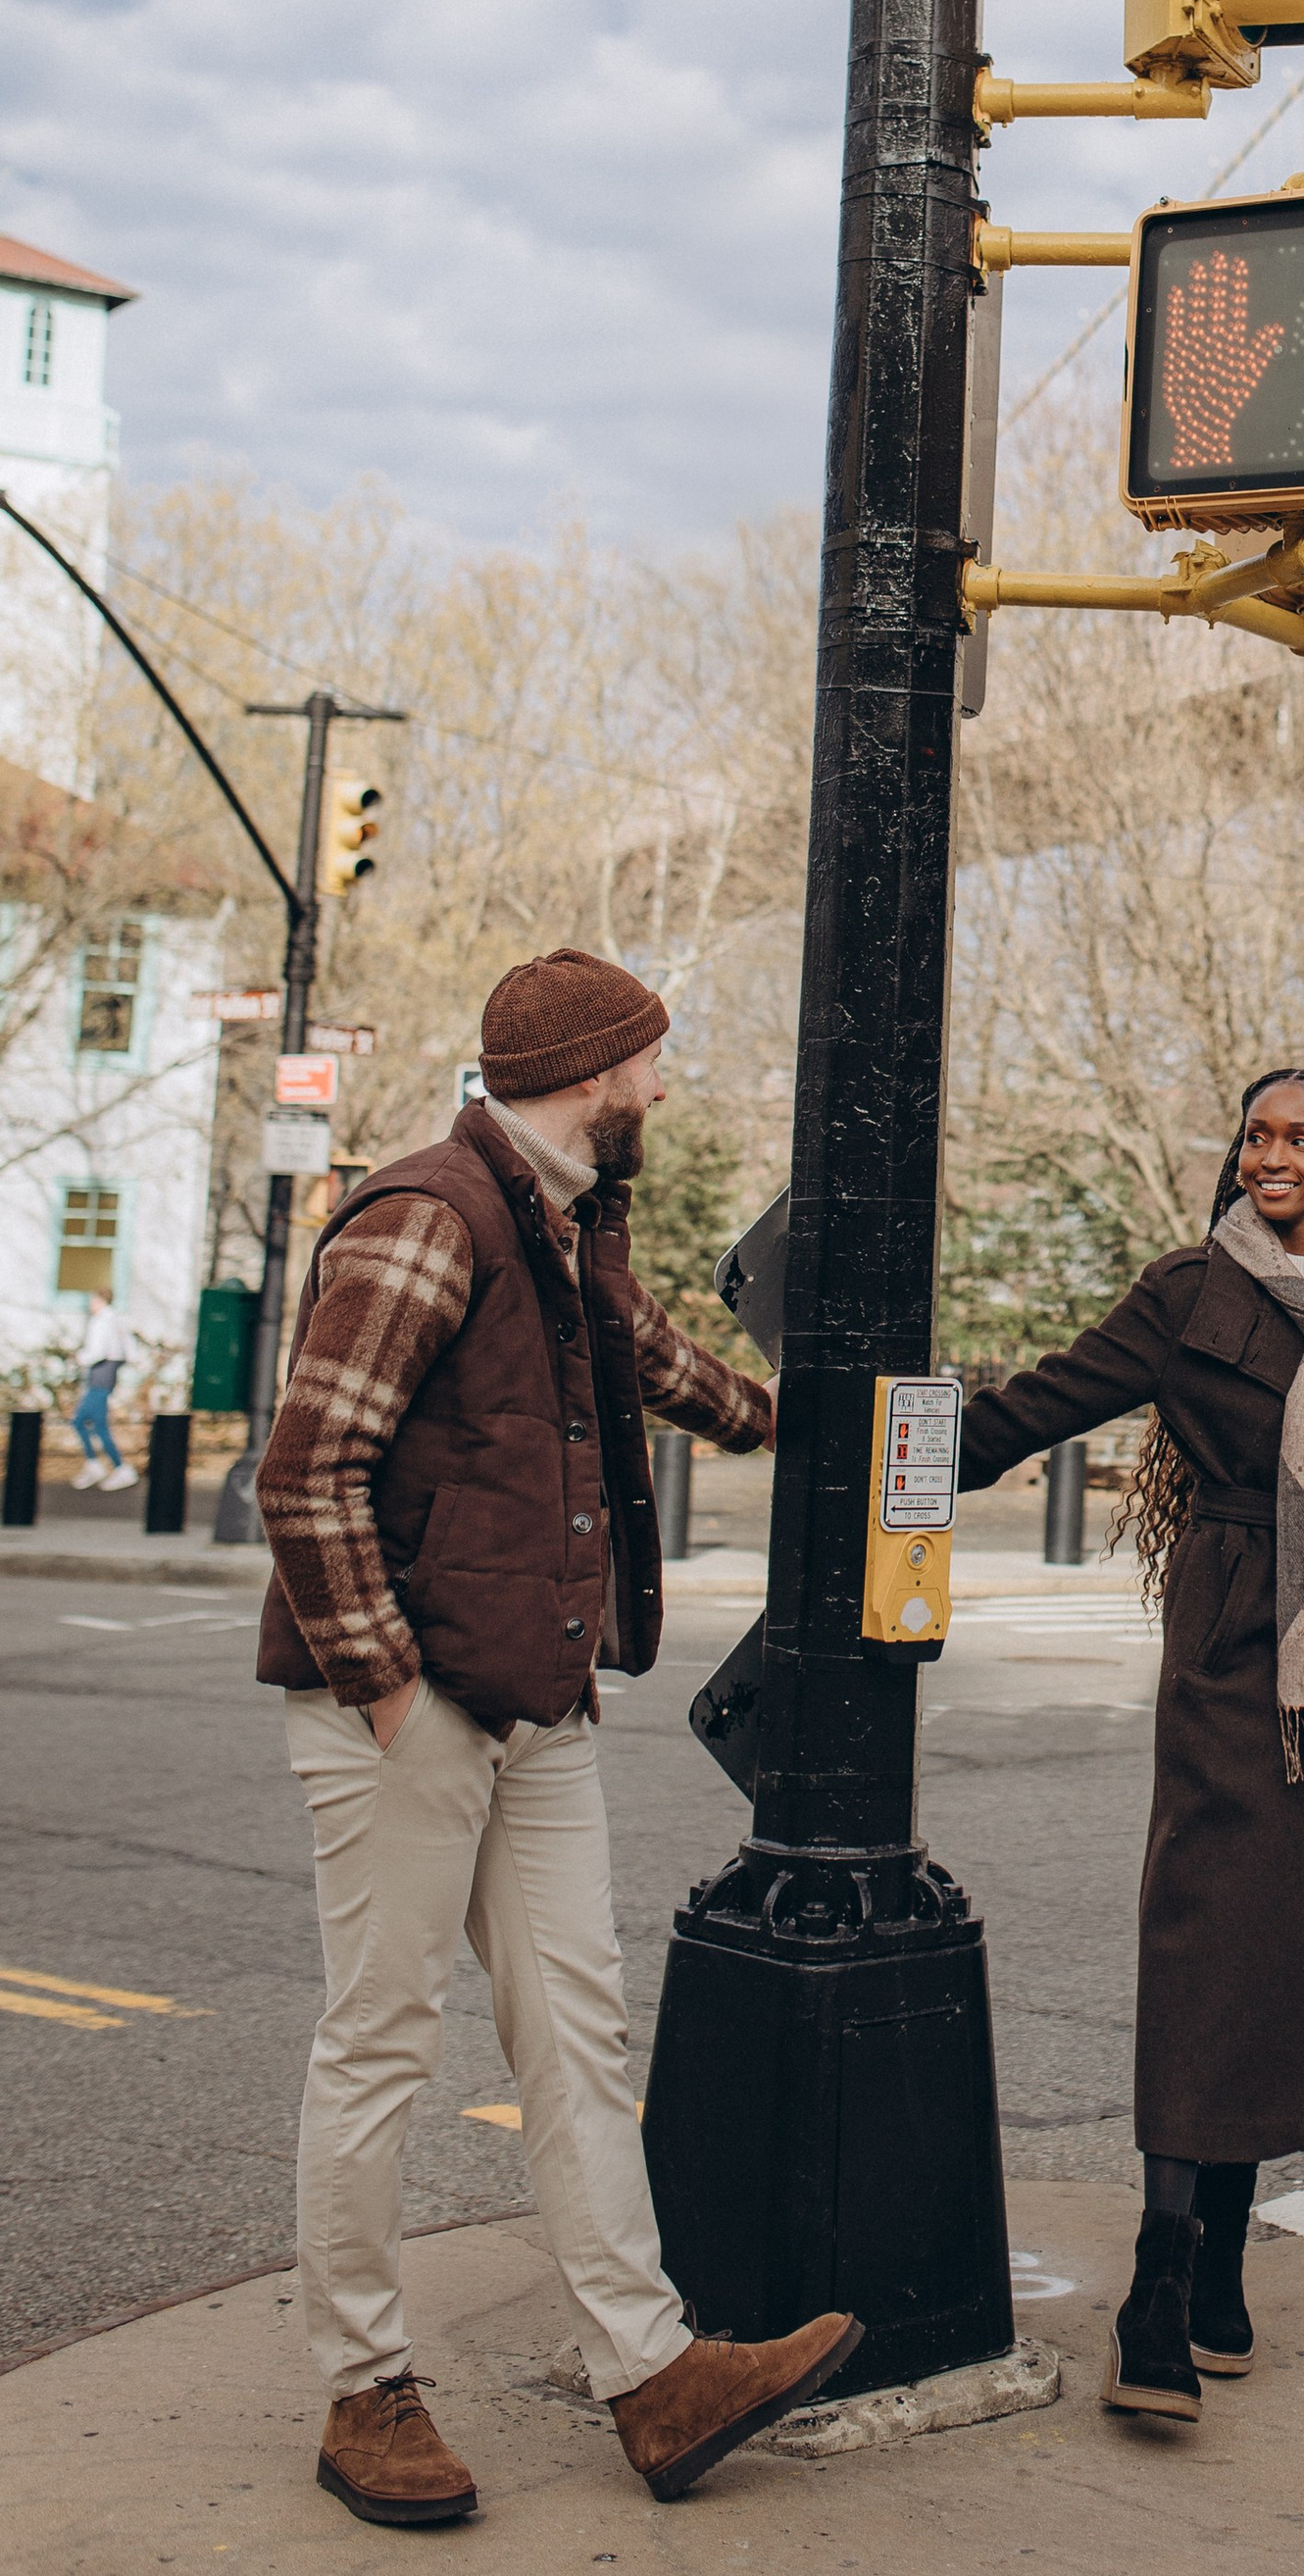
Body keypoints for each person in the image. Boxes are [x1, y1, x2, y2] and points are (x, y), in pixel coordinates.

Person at [255, 948, 861, 2528]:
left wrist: (832, 1417)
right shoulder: (430, 1217)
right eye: (649, 1059)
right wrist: (387, 1687)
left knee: (577, 2036)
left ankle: (652, 2376)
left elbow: (665, 1370)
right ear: (594, 1075)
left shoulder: (564, 1220)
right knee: (382, 2043)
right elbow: (306, 1469)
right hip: (409, 1704)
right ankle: (365, 2388)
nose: (662, 1083)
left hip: (534, 1697)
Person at [957, 1067, 1304, 2428]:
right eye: (1256, 1135)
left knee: (1294, 1950)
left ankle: (1219, 2270)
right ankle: (1159, 2273)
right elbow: (1040, 1406)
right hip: (1234, 1641)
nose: (1272, 1155)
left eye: (1299, 1138)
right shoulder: (1187, 1291)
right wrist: (890, 1439)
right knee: (1209, 1940)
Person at [70, 1303, 136, 1490]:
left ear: (99, 1300)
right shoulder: (117, 1319)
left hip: (100, 1376)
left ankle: (117, 1467)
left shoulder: (102, 1321)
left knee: (85, 1422)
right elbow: (129, 1348)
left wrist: (80, 1358)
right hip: (106, 1375)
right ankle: (99, 1465)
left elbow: (97, 1351)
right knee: (91, 1423)